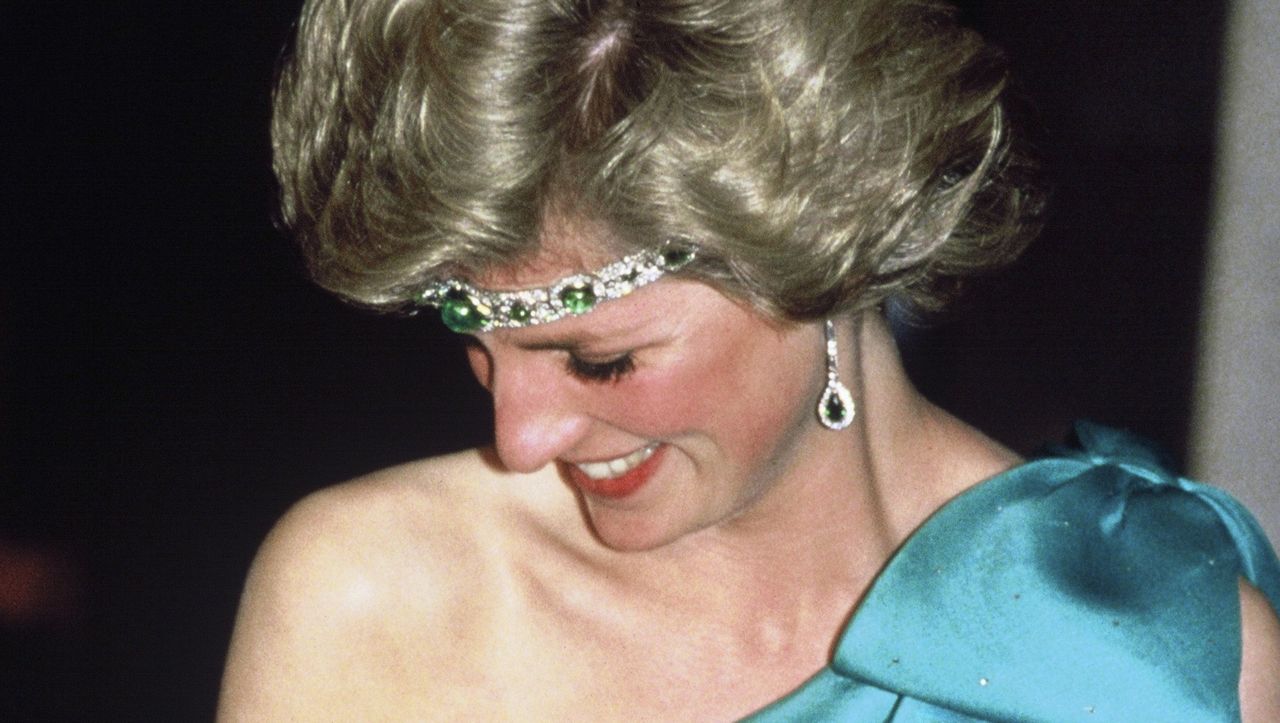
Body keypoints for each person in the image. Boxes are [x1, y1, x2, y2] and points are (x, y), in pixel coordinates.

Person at [219, 0, 1280, 719]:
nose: (519, 435)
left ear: (829, 254)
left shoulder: (1149, 642)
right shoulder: (378, 598)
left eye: (599, 362)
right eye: (480, 350)